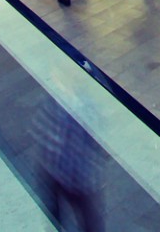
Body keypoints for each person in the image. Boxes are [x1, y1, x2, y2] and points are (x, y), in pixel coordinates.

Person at [35, 99, 103, 232]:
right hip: (69, 175)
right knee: (87, 219)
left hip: (66, 174)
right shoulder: (59, 104)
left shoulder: (57, 103)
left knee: (83, 218)